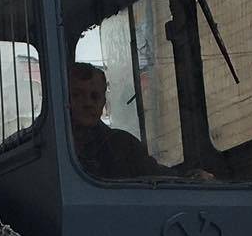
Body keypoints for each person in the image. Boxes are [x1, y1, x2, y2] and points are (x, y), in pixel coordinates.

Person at [66, 63, 213, 182]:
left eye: (95, 96)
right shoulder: (49, 146)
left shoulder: (122, 145)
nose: (88, 103)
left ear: (104, 101)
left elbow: (156, 176)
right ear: (63, 97)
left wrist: (190, 179)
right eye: (77, 95)